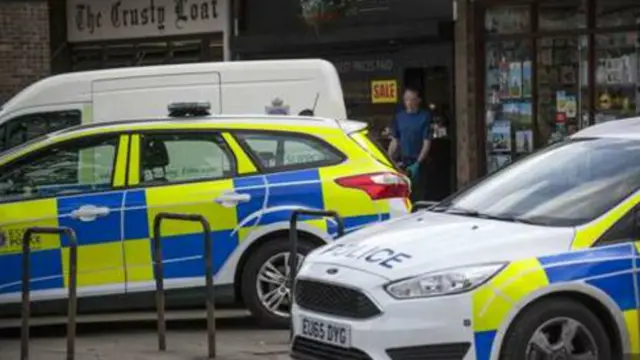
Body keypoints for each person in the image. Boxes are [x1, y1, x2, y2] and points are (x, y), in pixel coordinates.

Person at [387, 87, 432, 202]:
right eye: (406, 99)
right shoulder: (400, 117)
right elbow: (395, 140)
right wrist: (388, 159)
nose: (409, 102)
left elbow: (426, 142)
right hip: (402, 162)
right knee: (403, 194)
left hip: (419, 163)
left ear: (418, 100)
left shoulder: (425, 116)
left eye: (412, 99)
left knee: (419, 194)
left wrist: (418, 163)